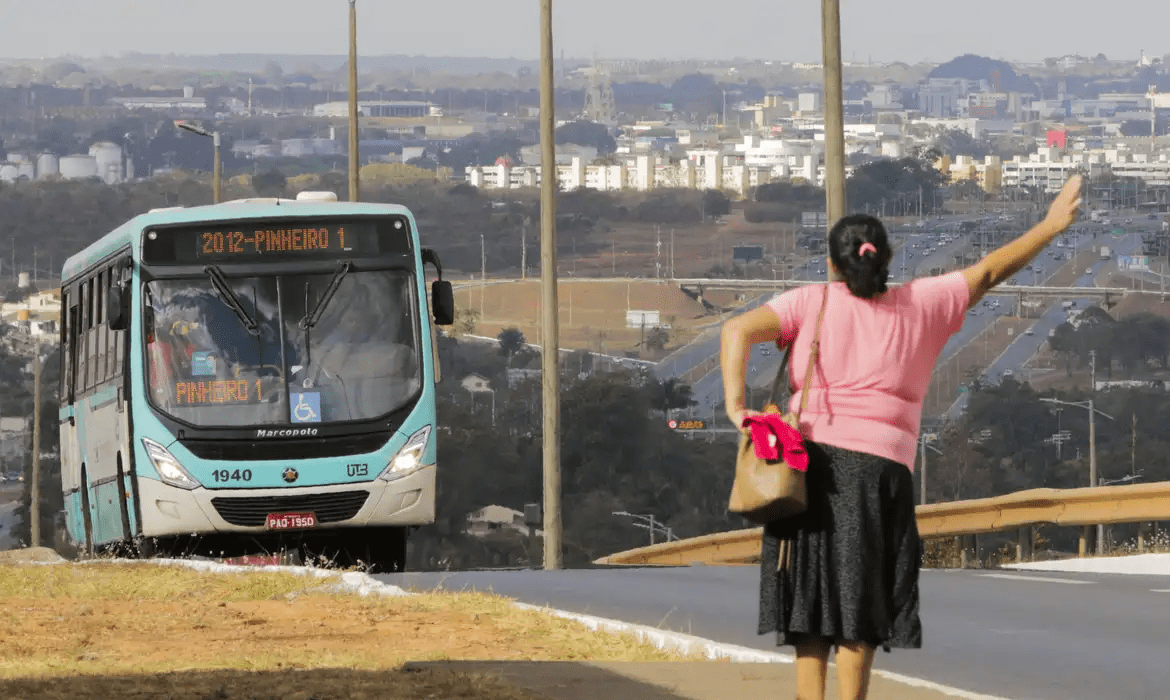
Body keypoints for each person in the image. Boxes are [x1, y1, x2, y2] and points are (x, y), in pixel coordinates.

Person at [719, 175, 1083, 700]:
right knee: (861, 597)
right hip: (881, 471)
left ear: (832, 265)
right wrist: (1049, 226)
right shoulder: (926, 303)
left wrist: (737, 409)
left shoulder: (811, 301)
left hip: (808, 465)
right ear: (887, 258)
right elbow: (991, 270)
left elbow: (735, 331)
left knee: (810, 595)